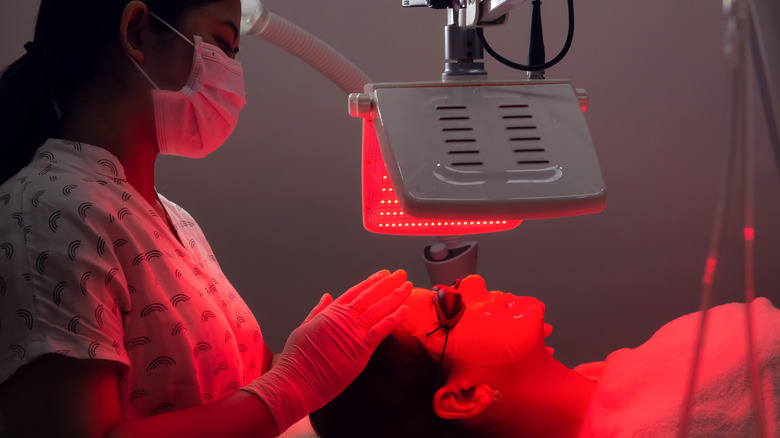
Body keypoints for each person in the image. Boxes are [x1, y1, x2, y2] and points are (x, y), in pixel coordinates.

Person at [0, 1, 412, 437]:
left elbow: (223, 390)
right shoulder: (46, 213)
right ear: (137, 31)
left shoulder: (172, 221)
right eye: (221, 44)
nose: (231, 74)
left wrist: (310, 363)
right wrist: (294, 383)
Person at [309, 275, 780, 438]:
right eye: (449, 307)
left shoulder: (618, 377)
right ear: (465, 396)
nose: (473, 284)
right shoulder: (665, 422)